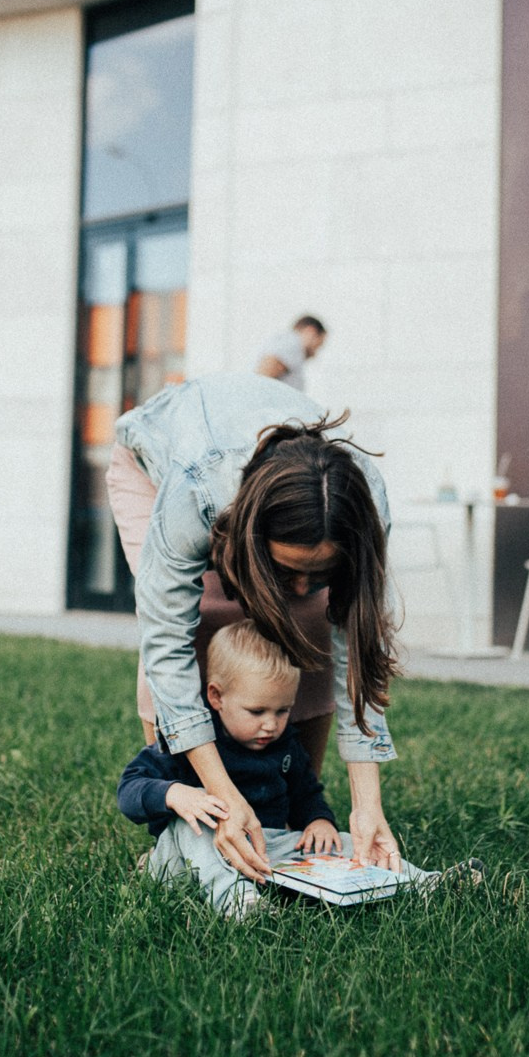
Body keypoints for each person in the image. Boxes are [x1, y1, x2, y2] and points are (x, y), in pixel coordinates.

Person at [105, 373, 400, 886]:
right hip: (153, 471)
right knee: (208, 625)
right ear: (251, 535)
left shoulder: (363, 504)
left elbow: (357, 654)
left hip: (250, 481)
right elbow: (166, 643)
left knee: (304, 623)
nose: (304, 585)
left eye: (320, 571)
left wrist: (365, 805)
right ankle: (183, 833)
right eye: (288, 569)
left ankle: (281, 809)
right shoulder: (194, 493)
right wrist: (221, 794)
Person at [117, 621, 441, 918]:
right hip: (192, 854)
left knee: (346, 842)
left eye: (282, 710)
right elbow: (129, 789)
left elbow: (304, 790)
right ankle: (239, 902)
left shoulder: (282, 741)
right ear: (216, 697)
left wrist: (318, 820)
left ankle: (425, 882)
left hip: (269, 847)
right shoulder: (188, 740)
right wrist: (175, 794)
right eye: (256, 711)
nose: (270, 724)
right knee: (200, 822)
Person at [255, 315, 327, 390]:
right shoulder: (293, 344)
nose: (315, 354)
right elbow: (262, 376)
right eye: (318, 345)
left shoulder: (286, 343)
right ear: (311, 331)